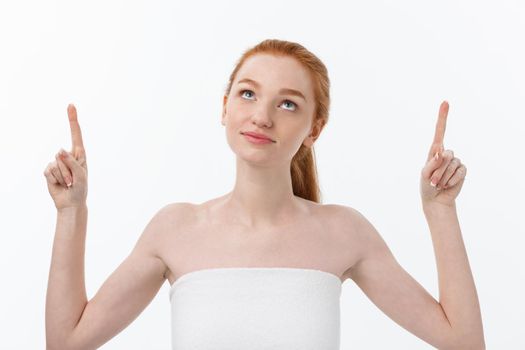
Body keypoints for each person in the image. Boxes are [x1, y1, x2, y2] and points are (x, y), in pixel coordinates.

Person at [44, 39, 485, 349]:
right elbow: (67, 342)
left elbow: (463, 341)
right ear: (225, 107)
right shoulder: (174, 229)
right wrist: (71, 212)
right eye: (248, 93)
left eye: (288, 103)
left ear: (314, 130)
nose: (262, 116)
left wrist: (441, 210)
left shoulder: (344, 233)